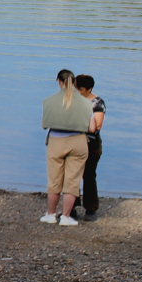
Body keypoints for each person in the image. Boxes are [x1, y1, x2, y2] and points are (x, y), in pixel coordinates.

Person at [41, 69, 94, 226]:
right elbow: (92, 128)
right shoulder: (86, 103)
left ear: (59, 82)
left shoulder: (49, 100)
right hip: (78, 142)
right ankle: (65, 216)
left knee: (54, 179)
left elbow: (44, 125)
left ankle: (51, 214)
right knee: (72, 181)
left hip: (56, 141)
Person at [75, 74, 105, 222]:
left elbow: (97, 125)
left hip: (91, 144)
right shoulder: (72, 100)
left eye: (80, 89)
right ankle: (72, 207)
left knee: (89, 175)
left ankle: (91, 208)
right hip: (73, 141)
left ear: (89, 89)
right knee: (72, 175)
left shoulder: (97, 102)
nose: (77, 91)